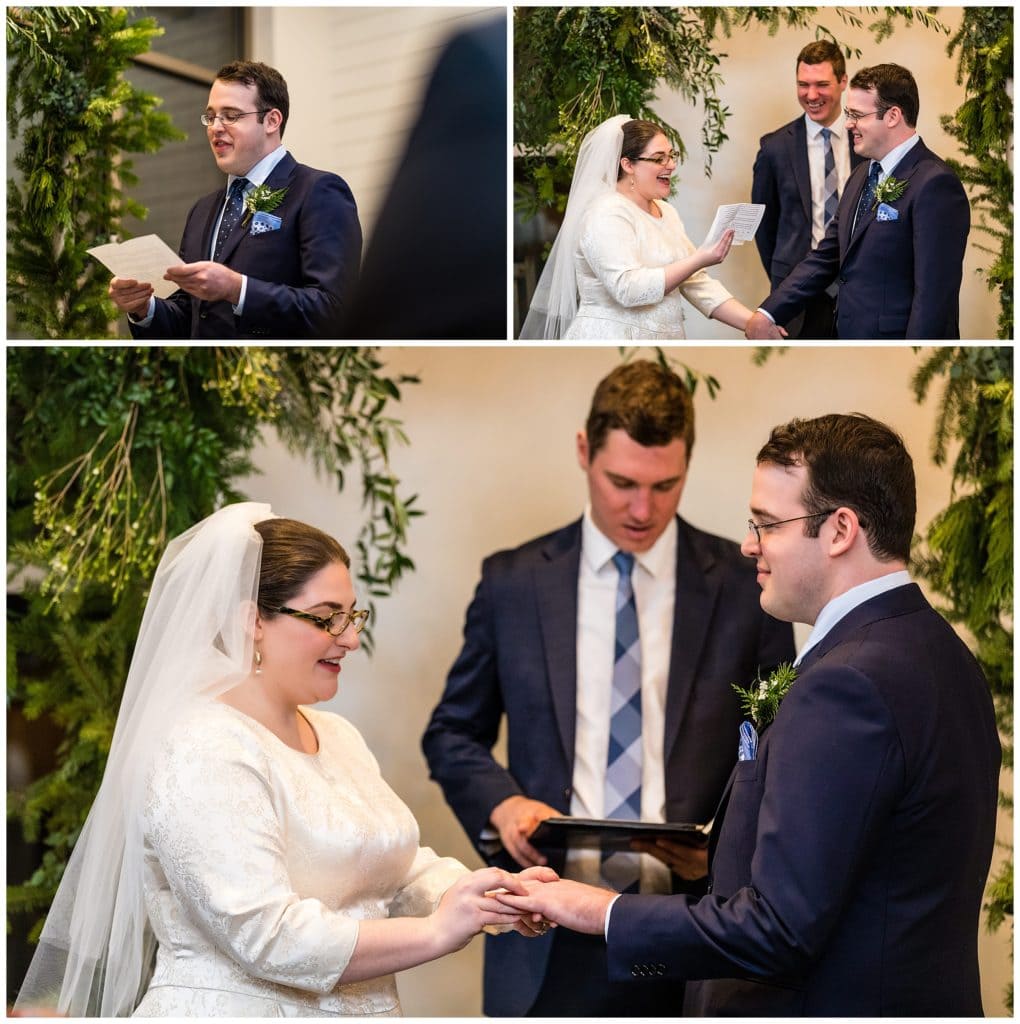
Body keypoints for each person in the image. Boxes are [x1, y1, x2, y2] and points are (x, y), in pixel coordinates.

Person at [495, 413, 1002, 1016]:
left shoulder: (846, 683)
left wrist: (597, 910)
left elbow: (778, 928)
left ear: (840, 529)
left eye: (767, 524)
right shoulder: (942, 652)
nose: (748, 545)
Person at [14, 504, 553, 1017]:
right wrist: (438, 931)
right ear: (252, 621)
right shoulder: (201, 746)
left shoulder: (337, 735)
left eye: (352, 616)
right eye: (326, 619)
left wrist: (485, 893)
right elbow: (265, 934)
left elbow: (392, 862)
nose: (350, 638)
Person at [422, 360, 795, 1015]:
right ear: (582, 452)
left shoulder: (743, 588)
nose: (642, 509)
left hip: (694, 932)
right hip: (544, 930)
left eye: (665, 485)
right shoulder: (513, 583)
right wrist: (502, 806)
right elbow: (453, 731)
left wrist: (718, 849)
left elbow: (771, 752)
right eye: (621, 482)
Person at [109, 61, 361, 339]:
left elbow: (333, 311)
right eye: (211, 116)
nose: (215, 127)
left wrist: (238, 289)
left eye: (231, 115)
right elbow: (190, 319)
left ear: (272, 121)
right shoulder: (202, 210)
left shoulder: (318, 191)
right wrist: (145, 309)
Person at [747, 63, 970, 340]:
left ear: (892, 116)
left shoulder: (935, 184)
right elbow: (825, 256)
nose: (849, 123)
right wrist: (768, 313)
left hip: (895, 349)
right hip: (849, 339)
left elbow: (934, 297)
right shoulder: (862, 174)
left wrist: (910, 359)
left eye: (857, 115)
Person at [519, 116, 767, 340]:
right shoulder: (605, 213)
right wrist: (700, 258)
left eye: (671, 156)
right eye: (659, 158)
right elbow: (627, 289)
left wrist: (754, 323)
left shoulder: (667, 212)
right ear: (628, 165)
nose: (670, 165)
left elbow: (694, 282)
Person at [751, 40, 865, 339]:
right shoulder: (774, 148)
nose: (811, 95)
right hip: (797, 297)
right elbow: (765, 228)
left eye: (822, 84)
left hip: (860, 291)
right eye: (803, 85)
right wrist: (789, 278)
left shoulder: (868, 142)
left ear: (843, 82)